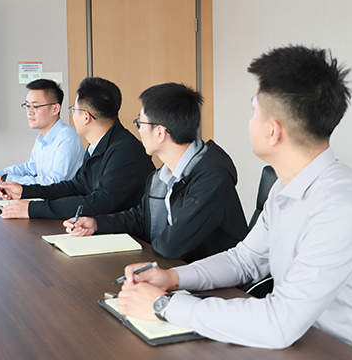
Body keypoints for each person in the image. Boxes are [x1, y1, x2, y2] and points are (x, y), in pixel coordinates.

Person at [114, 46, 352, 360]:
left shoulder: (338, 207)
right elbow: (244, 260)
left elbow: (279, 323)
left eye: (254, 111)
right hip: (305, 344)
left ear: (272, 131)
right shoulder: (286, 187)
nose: (250, 121)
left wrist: (163, 306)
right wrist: (172, 278)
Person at [62, 83, 248, 262]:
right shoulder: (163, 175)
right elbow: (143, 218)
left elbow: (172, 244)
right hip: (175, 269)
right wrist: (97, 224)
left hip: (214, 278)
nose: (139, 131)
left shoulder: (211, 178)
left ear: (160, 133)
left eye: (140, 123)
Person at [0, 77, 155, 220]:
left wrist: (33, 208)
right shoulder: (98, 145)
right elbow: (76, 186)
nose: (72, 115)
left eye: (73, 109)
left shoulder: (125, 151)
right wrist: (25, 191)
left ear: (86, 117)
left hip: (130, 236)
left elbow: (100, 203)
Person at [0, 79, 83, 189]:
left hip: (60, 203)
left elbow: (54, 182)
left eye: (35, 106)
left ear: (55, 109)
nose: (29, 112)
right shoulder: (42, 137)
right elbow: (29, 169)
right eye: (27, 106)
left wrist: (4, 179)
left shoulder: (67, 138)